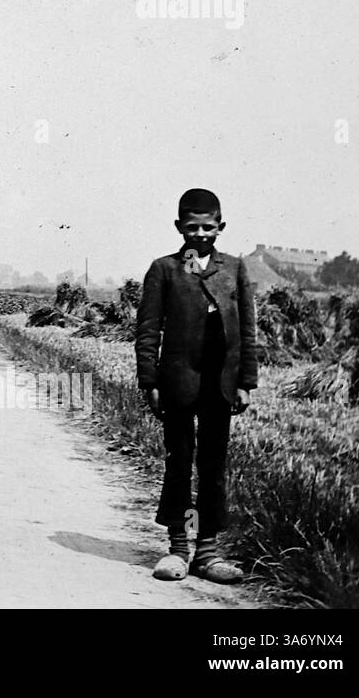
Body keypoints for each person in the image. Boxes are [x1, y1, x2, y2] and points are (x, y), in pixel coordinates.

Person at [136, 187, 257, 584]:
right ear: (179, 227)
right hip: (177, 381)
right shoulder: (165, 269)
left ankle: (207, 551)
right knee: (179, 462)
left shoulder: (235, 269)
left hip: (220, 383)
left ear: (221, 226)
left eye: (209, 227)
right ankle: (178, 550)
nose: (201, 234)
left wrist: (246, 382)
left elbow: (248, 331)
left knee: (213, 466)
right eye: (192, 227)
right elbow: (148, 330)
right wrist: (149, 380)